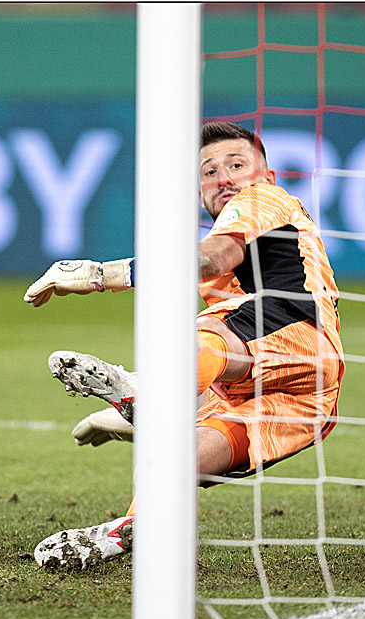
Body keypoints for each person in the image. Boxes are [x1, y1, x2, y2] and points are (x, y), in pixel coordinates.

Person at [24, 121, 345, 570]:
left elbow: (214, 256)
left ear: (267, 177)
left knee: (192, 337)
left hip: (295, 334)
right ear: (198, 191)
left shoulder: (263, 200)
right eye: (209, 171)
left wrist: (103, 275)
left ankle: (149, 394)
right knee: (176, 460)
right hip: (307, 400)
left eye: (237, 164)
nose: (224, 178)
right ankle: (132, 528)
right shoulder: (227, 244)